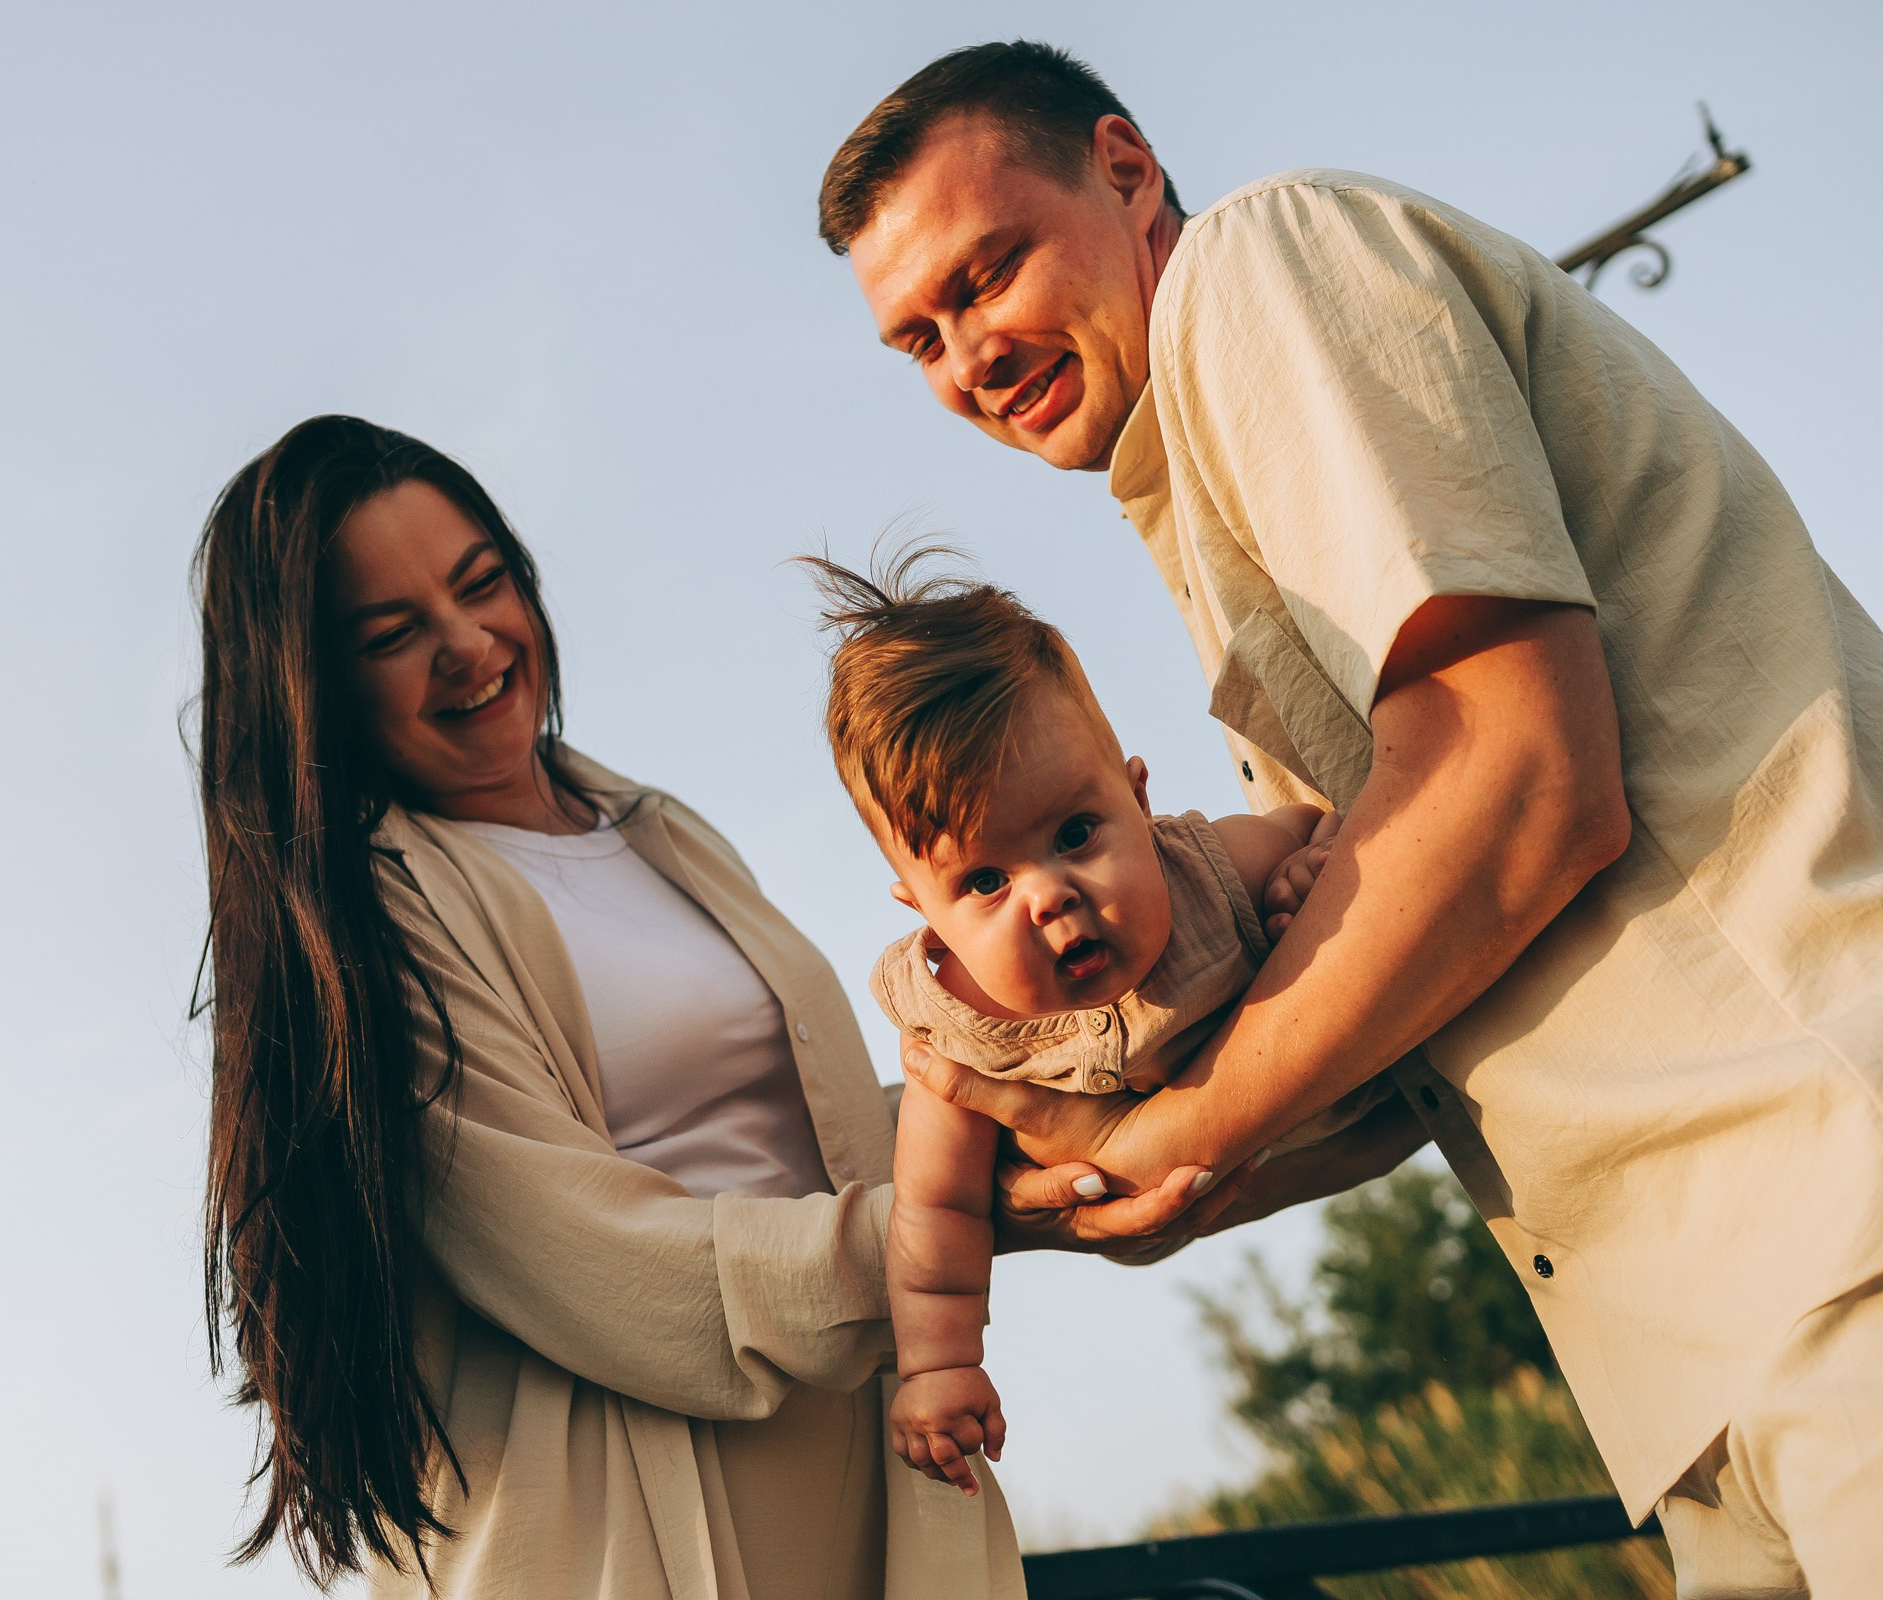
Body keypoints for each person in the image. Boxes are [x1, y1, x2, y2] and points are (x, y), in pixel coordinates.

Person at [818, 40, 1883, 1597]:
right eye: (920, 336)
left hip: (1826, 1196)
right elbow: (1393, 1031)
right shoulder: (1198, 501)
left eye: (988, 275)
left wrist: (1178, 1133)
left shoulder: (1260, 263)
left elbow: (1518, 785)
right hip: (1692, 1352)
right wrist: (1057, 1183)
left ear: (1124, 169)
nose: (968, 352)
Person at [192, 415, 1139, 1598]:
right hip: (612, 1531)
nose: (468, 643)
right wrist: (951, 1224)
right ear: (315, 688)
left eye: (482, 583)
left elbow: (826, 1130)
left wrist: (1064, 1092)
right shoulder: (374, 923)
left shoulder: (651, 825)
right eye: (393, 634)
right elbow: (592, 1263)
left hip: (862, 1462)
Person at [804, 552, 1373, 1496]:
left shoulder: (1213, 872)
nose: (1050, 898)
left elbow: (1348, 828)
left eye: (1075, 835)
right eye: (984, 882)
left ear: (1139, 801)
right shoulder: (961, 1037)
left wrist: (1312, 871)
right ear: (924, 914)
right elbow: (938, 1209)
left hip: (1355, 1128)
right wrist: (941, 1365)